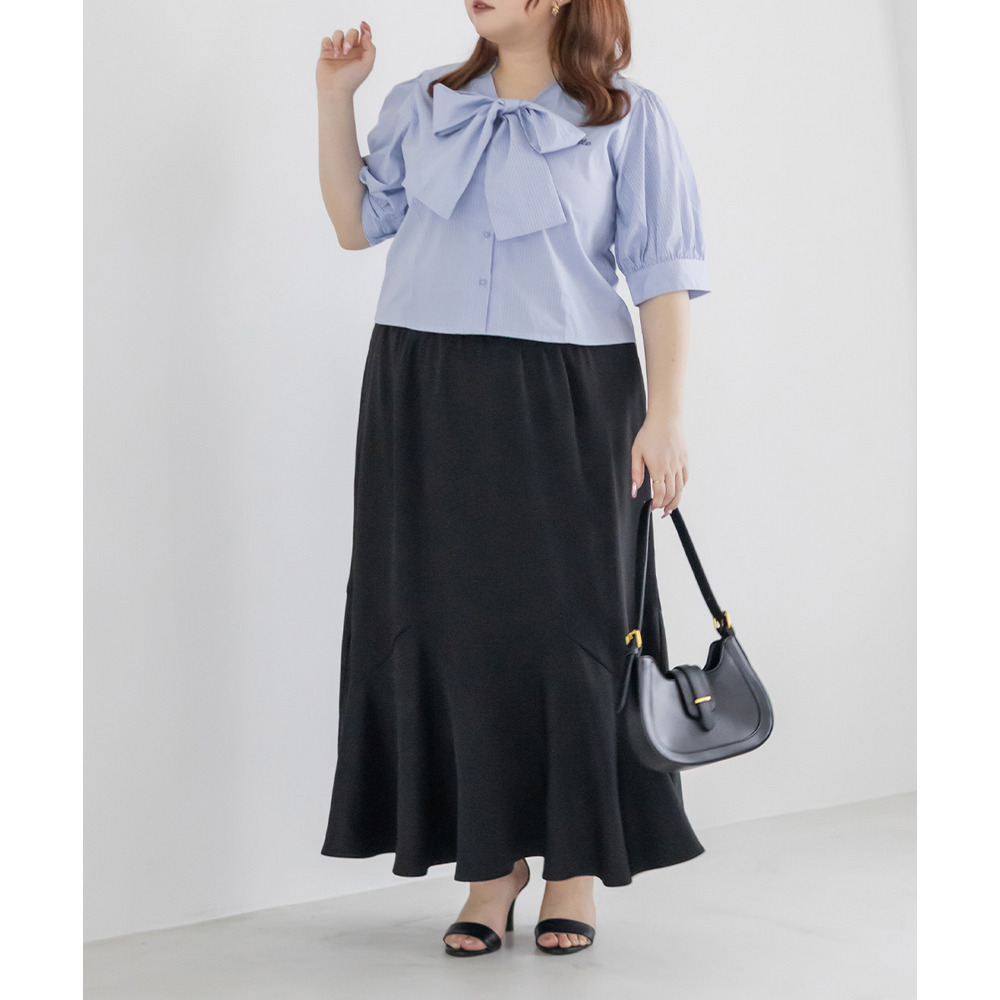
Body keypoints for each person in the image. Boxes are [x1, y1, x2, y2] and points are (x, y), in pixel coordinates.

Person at [315, 0, 711, 958]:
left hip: (570, 391)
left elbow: (662, 272)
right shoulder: (422, 103)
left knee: (577, 624)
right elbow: (355, 227)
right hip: (424, 383)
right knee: (447, 620)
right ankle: (490, 869)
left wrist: (665, 416)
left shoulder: (630, 117)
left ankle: (574, 865)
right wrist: (335, 98)